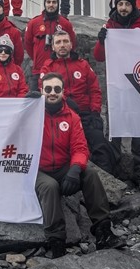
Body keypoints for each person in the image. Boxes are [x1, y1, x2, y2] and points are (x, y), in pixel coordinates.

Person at [35, 71, 125, 257]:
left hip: (62, 167)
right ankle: (56, 241)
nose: (52, 92)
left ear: (63, 92)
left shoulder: (72, 116)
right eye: (48, 89)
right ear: (41, 90)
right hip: (38, 170)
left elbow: (80, 147)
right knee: (50, 187)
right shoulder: (31, 114)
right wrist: (23, 105)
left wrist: (75, 169)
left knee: (90, 174)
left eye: (57, 89)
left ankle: (103, 231)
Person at [93, 0, 140, 192]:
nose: (123, 8)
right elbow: (99, 57)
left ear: (133, 6)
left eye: (127, 5)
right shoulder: (109, 25)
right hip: (117, 87)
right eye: (120, 4)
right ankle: (114, 174)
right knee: (114, 131)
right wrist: (102, 39)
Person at [37, 29, 116, 175]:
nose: (62, 45)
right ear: (53, 47)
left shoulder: (83, 65)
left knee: (100, 144)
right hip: (62, 114)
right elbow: (46, 91)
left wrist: (95, 112)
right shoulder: (48, 67)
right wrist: (67, 102)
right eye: (58, 42)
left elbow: (94, 90)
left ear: (71, 44)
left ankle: (109, 184)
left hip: (86, 115)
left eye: (65, 41)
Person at [23, 0, 76, 72]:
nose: (51, 5)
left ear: (58, 4)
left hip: (61, 69)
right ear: (45, 4)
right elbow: (28, 44)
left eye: (54, 2)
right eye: (48, 2)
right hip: (39, 69)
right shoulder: (33, 23)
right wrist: (36, 58)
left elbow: (72, 44)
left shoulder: (66, 23)